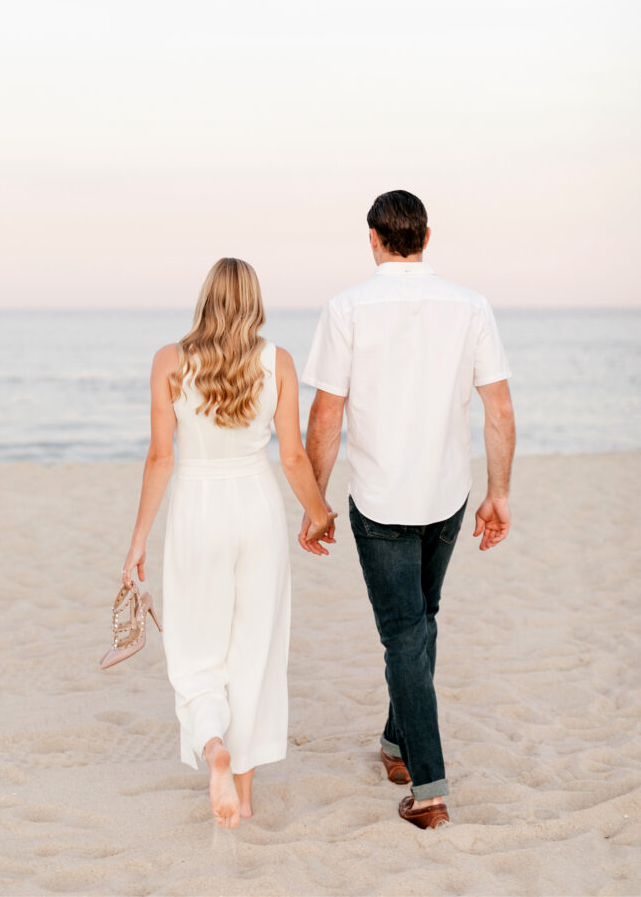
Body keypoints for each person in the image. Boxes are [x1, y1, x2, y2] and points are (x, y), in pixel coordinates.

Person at [299, 190, 515, 829]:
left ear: (373, 237)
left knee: (403, 633)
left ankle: (429, 789)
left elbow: (327, 414)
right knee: (420, 622)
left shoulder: (347, 308)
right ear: (427, 236)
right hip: (448, 493)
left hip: (383, 497)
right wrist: (499, 492)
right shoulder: (470, 305)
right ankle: (396, 746)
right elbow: (498, 408)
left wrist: (314, 503)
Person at [121, 257, 335, 829]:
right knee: (256, 649)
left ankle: (213, 742)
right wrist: (319, 513)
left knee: (196, 647)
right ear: (254, 301)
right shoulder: (278, 362)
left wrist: (138, 539)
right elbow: (291, 455)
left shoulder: (169, 360)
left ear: (206, 298)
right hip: (257, 509)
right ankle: (241, 793)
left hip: (197, 509)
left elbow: (160, 457)